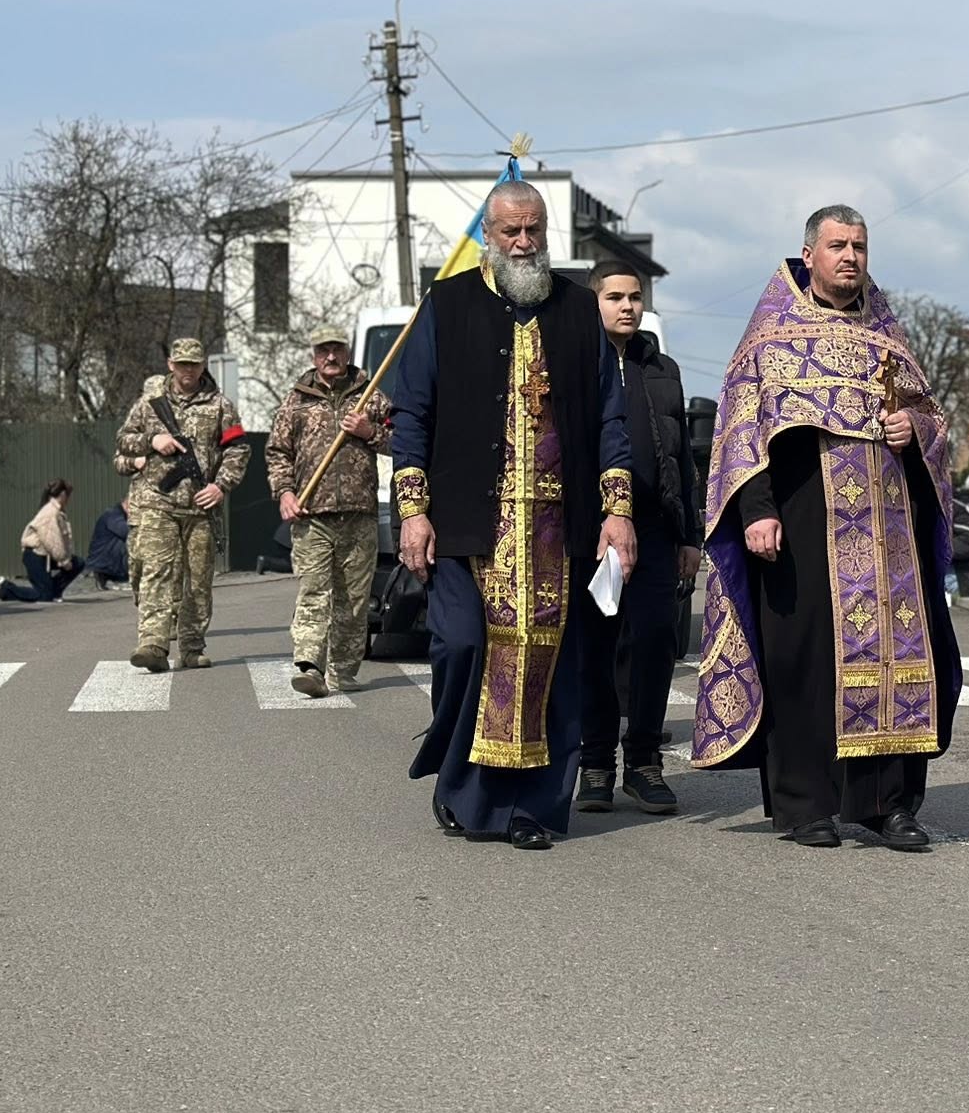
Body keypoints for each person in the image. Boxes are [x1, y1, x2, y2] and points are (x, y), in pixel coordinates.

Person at [692, 204, 964, 851]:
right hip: (803, 525)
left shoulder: (890, 338)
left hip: (888, 532)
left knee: (900, 657)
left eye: (860, 246)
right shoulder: (771, 335)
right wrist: (755, 509)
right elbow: (740, 428)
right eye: (838, 245)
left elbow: (931, 422)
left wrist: (914, 432)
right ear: (809, 253)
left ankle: (890, 805)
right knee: (804, 662)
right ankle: (805, 804)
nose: (850, 257)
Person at [390, 180, 637, 852]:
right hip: (468, 522)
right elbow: (411, 414)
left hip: (561, 526)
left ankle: (530, 808)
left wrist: (619, 515)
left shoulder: (580, 311)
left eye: (534, 231)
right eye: (511, 233)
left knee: (549, 664)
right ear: (487, 238)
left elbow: (613, 423)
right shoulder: (449, 304)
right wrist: (412, 513)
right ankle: (462, 785)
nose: (525, 243)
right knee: (467, 645)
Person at [575, 262, 703, 817]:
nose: (627, 307)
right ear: (593, 303)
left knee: (655, 642)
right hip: (593, 530)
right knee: (596, 648)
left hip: (655, 528)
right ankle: (596, 765)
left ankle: (645, 764)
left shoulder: (662, 368)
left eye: (634, 298)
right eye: (614, 298)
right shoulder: (576, 364)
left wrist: (689, 534)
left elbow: (682, 459)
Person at [267, 325, 394, 698]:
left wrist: (370, 431)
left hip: (359, 514)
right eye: (324, 351)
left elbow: (405, 440)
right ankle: (309, 664)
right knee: (313, 592)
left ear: (347, 351)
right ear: (314, 355)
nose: (331, 357)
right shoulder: (296, 401)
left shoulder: (370, 396)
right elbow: (277, 453)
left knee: (353, 601)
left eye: (337, 349)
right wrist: (285, 493)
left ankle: (342, 668)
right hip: (311, 514)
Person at [116, 340, 250, 675]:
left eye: (194, 364)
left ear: (203, 365)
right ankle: (153, 643)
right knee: (156, 572)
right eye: (182, 364)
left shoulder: (220, 405)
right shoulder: (150, 403)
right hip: (155, 501)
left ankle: (191, 647)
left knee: (199, 580)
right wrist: (152, 441)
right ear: (170, 364)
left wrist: (221, 486)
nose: (188, 370)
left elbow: (238, 449)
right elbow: (123, 439)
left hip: (200, 505)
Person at [0, 479, 85, 603]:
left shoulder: (56, 511)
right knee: (43, 596)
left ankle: (54, 592)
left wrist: (67, 559)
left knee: (78, 563)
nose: (69, 500)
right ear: (62, 494)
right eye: (68, 495)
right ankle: (6, 588)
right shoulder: (50, 513)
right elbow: (52, 541)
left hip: (45, 555)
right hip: (35, 556)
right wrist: (64, 561)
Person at [85, 496, 131, 592]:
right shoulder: (113, 515)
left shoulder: (117, 515)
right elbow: (125, 531)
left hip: (108, 564)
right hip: (102, 564)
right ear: (128, 504)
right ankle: (101, 576)